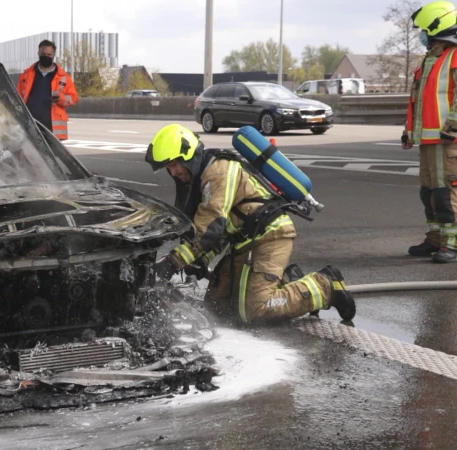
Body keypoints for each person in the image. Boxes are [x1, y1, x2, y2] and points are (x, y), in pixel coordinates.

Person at [147, 124, 356, 324]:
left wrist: (173, 263)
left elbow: (209, 229)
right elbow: (223, 230)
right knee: (218, 309)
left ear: (188, 154)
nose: (173, 172)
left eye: (174, 164)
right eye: (168, 167)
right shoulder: (202, 178)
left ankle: (325, 286)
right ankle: (288, 281)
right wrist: (200, 260)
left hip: (270, 236)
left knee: (254, 310)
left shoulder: (218, 172)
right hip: (245, 241)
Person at [403, 1, 457, 263]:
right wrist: (409, 132)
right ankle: (435, 239)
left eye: (424, 30)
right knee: (429, 192)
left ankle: (452, 243)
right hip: (428, 140)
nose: (421, 35)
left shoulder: (454, 57)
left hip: (448, 141)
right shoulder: (429, 60)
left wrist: (452, 128)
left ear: (439, 27)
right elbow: (419, 100)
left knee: (446, 193)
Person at [16, 39, 78, 140]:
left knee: (52, 156)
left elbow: (74, 98)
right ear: (38, 53)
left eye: (49, 54)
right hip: (29, 125)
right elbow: (17, 98)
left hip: (53, 129)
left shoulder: (64, 77)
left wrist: (60, 99)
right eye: (43, 54)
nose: (46, 56)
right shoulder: (26, 76)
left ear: (54, 55)